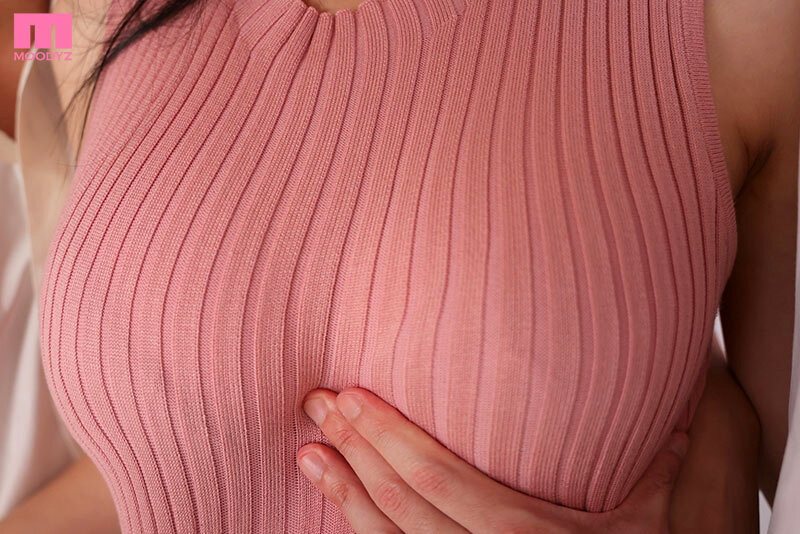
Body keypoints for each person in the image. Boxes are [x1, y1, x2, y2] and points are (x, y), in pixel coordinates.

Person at [0, 0, 796, 532]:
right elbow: (29, 44)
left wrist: (719, 447)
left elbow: (779, 473)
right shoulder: (83, 16)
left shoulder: (748, 29)